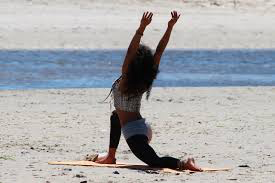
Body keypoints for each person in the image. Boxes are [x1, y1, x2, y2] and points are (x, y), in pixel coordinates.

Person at [91, 11, 202, 171]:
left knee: (154, 161)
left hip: (134, 132)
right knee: (115, 115)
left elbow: (131, 51)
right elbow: (159, 52)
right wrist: (169, 27)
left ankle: (184, 162)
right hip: (142, 128)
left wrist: (141, 28)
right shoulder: (143, 81)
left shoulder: (125, 79)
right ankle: (110, 156)